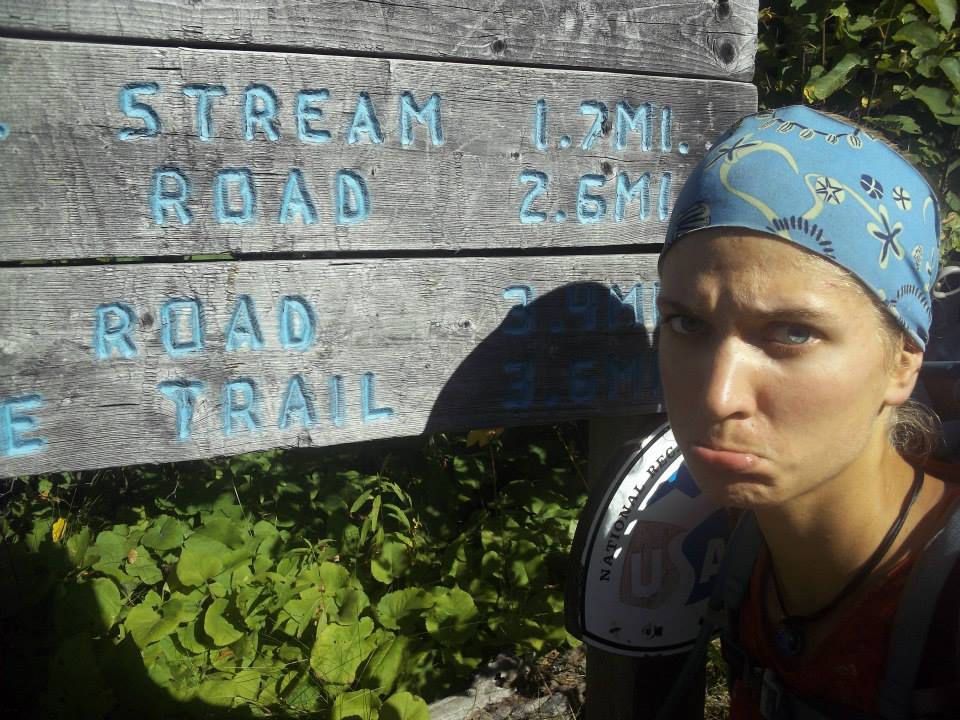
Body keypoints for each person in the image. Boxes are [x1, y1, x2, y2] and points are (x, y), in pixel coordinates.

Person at [655, 105, 958, 718]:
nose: (718, 397)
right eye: (687, 322)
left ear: (903, 363)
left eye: (791, 333)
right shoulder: (743, 544)